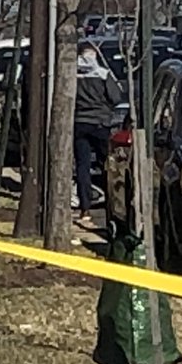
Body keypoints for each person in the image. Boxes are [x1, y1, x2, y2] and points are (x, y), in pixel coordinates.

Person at [74, 42, 122, 226]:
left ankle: (85, 207)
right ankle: (110, 202)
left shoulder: (73, 74)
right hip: (101, 124)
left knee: (82, 166)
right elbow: (116, 97)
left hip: (79, 124)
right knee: (107, 164)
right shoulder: (102, 74)